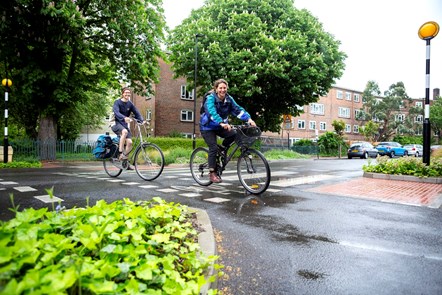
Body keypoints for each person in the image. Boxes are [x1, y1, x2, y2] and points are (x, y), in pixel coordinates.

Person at [200, 79, 256, 183]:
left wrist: (249, 119)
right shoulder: (210, 98)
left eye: (224, 88)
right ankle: (212, 173)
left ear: (227, 88)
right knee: (212, 147)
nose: (222, 90)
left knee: (234, 134)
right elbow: (211, 112)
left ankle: (222, 149)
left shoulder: (229, 99)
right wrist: (221, 122)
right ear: (216, 89)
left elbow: (237, 110)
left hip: (221, 126)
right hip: (208, 127)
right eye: (220, 88)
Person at [109, 87, 144, 168]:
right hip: (115, 123)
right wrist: (124, 118)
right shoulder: (117, 102)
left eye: (129, 93)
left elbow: (137, 112)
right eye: (126, 93)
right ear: (122, 94)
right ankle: (120, 152)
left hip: (123, 125)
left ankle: (125, 162)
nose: (127, 94)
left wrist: (142, 120)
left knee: (130, 143)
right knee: (124, 132)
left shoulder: (130, 104)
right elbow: (116, 112)